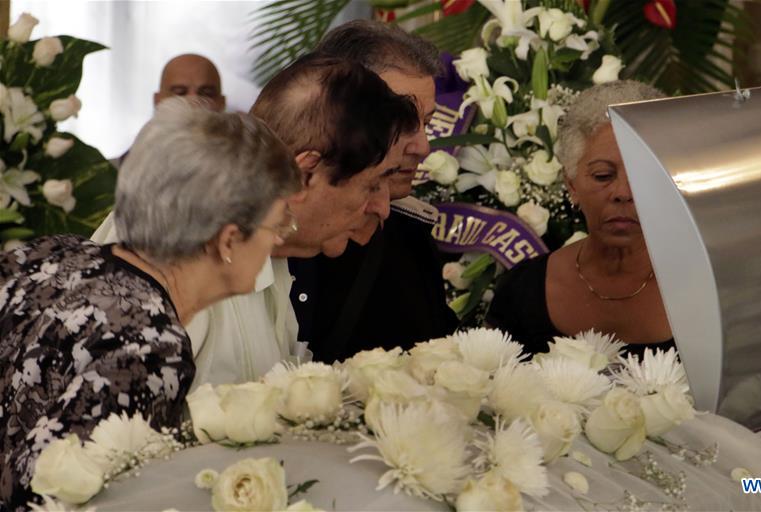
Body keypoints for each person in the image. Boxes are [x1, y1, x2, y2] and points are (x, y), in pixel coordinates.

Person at [0, 99, 300, 508]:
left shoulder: (52, 254)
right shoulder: (152, 349)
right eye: (279, 221)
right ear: (228, 240)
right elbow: (52, 499)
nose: (282, 237)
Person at [94, 53, 419, 388]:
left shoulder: (273, 251)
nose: (382, 207)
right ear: (306, 173)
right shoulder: (168, 239)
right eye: (373, 183)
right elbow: (112, 430)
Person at [288, 20, 459, 364]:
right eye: (401, 121)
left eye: (426, 122)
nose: (423, 146)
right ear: (334, 110)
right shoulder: (263, 241)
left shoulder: (411, 234)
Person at [487, 81, 674, 359]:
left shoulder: (710, 289)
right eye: (603, 176)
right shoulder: (522, 291)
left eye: (641, 175)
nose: (623, 193)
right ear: (572, 185)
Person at [108, 54, 226, 169]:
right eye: (179, 93)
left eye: (206, 94)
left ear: (222, 103)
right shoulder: (111, 175)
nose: (193, 102)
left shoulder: (241, 171)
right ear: (158, 101)